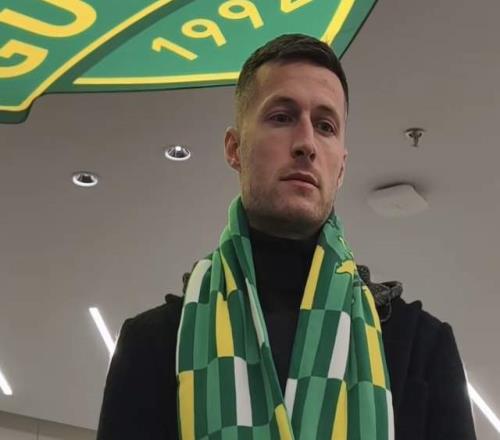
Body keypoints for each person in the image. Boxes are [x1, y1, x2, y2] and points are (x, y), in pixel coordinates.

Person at [96, 34, 476, 440]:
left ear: (341, 166)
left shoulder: (420, 350)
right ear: (234, 148)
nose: (306, 143)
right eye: (281, 117)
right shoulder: (154, 344)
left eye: (326, 126)